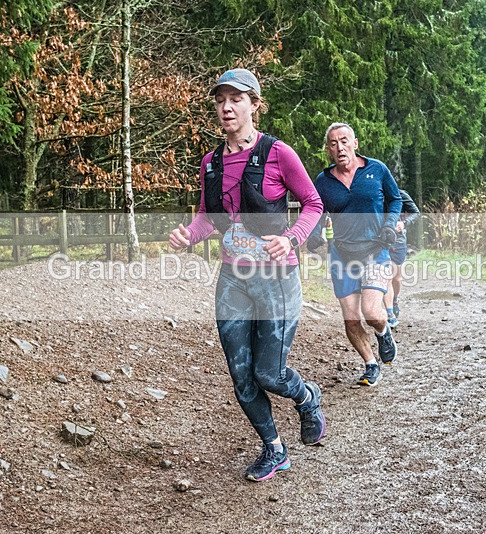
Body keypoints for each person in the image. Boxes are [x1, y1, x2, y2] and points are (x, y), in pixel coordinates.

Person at [168, 68, 326, 482]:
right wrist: (189, 235)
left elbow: (313, 203)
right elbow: (208, 217)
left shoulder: (279, 153)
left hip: (277, 280)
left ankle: (307, 396)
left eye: (236, 99)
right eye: (220, 100)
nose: (226, 107)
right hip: (232, 279)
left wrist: (291, 239)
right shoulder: (210, 163)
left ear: (255, 105)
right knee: (241, 375)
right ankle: (274, 448)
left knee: (269, 374)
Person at [308, 122, 402, 387]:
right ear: (328, 150)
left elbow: (395, 199)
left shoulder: (376, 169)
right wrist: (313, 233)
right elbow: (316, 209)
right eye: (333, 143)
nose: (340, 147)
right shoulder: (323, 181)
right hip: (342, 254)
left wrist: (389, 225)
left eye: (344, 141)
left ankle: (383, 331)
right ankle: (371, 364)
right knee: (351, 318)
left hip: (375, 250)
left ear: (355, 143)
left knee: (371, 312)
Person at [383, 189, 420, 328]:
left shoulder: (400, 194)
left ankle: (394, 300)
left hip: (398, 240)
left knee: (396, 278)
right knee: (387, 275)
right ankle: (389, 313)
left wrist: (404, 223)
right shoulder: (374, 193)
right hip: (379, 240)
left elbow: (416, 213)